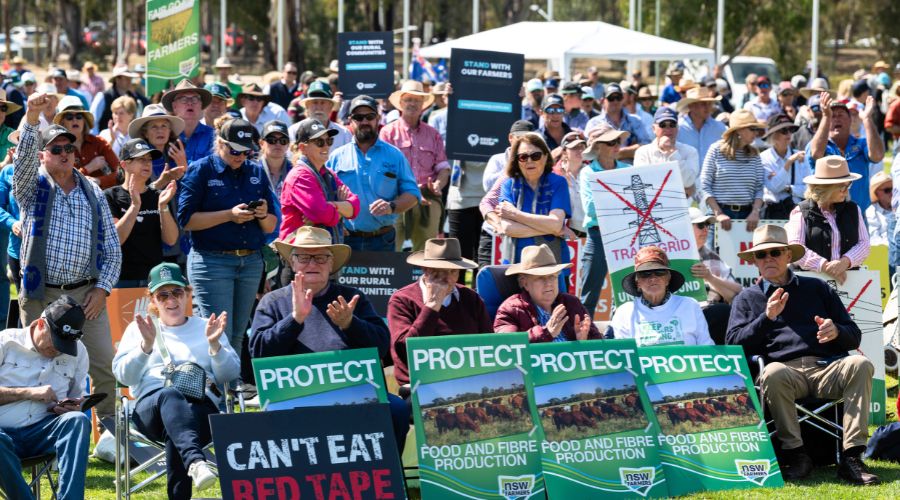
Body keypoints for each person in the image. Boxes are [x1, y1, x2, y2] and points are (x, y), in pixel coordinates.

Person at [725, 224, 877, 485]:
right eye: (761, 255)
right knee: (772, 372)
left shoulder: (817, 288)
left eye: (775, 252)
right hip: (783, 372)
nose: (768, 258)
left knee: (860, 364)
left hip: (827, 367)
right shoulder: (746, 298)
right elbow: (733, 345)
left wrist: (836, 331)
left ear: (788, 255)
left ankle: (851, 457)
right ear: (754, 263)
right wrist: (767, 317)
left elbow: (854, 335)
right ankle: (797, 456)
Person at [14, 92, 122, 421]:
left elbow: (113, 248)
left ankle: (109, 434)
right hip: (40, 292)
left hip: (84, 293)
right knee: (38, 364)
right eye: (56, 149)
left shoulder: (92, 190)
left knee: (104, 362)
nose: (64, 153)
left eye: (69, 148)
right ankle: (39, 429)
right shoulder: (31, 187)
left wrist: (102, 289)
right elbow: (22, 161)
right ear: (43, 156)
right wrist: (32, 118)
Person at [248, 227, 409, 447]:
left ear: (331, 264)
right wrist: (294, 319)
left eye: (321, 257)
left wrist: (350, 324)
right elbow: (258, 353)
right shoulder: (273, 301)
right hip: (294, 395)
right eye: (304, 257)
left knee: (397, 410)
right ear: (292, 263)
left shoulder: (352, 297)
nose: (312, 264)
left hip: (353, 391)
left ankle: (388, 478)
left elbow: (382, 346)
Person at [112, 263, 240, 497]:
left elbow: (229, 375)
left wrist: (215, 346)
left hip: (201, 410)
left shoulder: (206, 327)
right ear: (153, 300)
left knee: (179, 428)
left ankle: (194, 463)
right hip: (151, 410)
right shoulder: (139, 329)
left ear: (188, 293)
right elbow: (124, 376)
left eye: (177, 292)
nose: (171, 300)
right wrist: (145, 347)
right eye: (163, 295)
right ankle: (195, 461)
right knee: (170, 396)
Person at [177, 118, 278, 357]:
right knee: (218, 333)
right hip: (212, 261)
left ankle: (231, 389)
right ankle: (218, 391)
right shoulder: (200, 170)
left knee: (238, 334)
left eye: (246, 151)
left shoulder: (255, 171)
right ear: (219, 143)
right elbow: (186, 221)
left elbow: (270, 225)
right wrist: (228, 215)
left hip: (250, 261)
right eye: (234, 150)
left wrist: (262, 214)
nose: (240, 156)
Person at [0, 296, 91, 499]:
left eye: (66, 345)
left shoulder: (78, 352)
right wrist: (28, 392)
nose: (59, 350)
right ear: (40, 324)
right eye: (56, 342)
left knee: (76, 421)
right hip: (3, 434)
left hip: (43, 431)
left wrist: (70, 407)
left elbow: (77, 398)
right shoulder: (6, 342)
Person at [387, 238, 492, 386]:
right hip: (421, 384)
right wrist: (431, 306)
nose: (448, 278)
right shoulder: (402, 299)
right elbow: (405, 349)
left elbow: (488, 344)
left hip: (467, 380)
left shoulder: (470, 297)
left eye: (454, 271)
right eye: (442, 271)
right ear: (426, 270)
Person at [328, 95, 420, 252]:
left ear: (378, 119)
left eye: (369, 117)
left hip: (383, 240)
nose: (364, 122)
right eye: (358, 117)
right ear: (350, 121)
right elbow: (325, 197)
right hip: (345, 239)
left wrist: (392, 206)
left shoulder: (394, 155)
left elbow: (413, 194)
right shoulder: (336, 157)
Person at [380, 81, 450, 252]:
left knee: (427, 253)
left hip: (428, 199)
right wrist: (411, 191)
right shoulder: (387, 132)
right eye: (409, 99)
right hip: (395, 199)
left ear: (423, 106)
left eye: (417, 100)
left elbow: (444, 168)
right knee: (391, 251)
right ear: (401, 103)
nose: (413, 103)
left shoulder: (433, 134)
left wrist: (438, 184)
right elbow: (382, 171)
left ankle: (424, 279)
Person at [489, 133, 570, 273]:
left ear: (545, 157)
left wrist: (516, 214)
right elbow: (508, 228)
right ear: (517, 161)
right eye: (523, 157)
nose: (529, 161)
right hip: (515, 263)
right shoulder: (508, 185)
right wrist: (552, 229)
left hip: (553, 263)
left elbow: (556, 223)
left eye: (535, 155)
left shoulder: (558, 182)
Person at [105, 139, 179, 288]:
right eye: (141, 159)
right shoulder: (109, 196)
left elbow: (171, 240)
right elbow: (116, 239)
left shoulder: (159, 196)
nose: (147, 164)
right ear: (124, 164)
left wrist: (163, 206)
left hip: (154, 280)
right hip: (121, 279)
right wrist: (135, 207)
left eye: (149, 160)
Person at [786, 156, 870, 284]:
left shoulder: (853, 209)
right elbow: (796, 249)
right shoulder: (801, 211)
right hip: (810, 283)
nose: (847, 191)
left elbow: (864, 244)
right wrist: (825, 266)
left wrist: (844, 262)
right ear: (826, 188)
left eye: (849, 185)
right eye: (843, 187)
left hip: (849, 283)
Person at [494, 244, 599, 342]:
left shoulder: (572, 303)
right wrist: (547, 332)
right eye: (540, 277)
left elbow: (600, 345)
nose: (548, 283)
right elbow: (507, 345)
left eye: (552, 276)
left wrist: (584, 341)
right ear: (524, 282)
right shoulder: (510, 309)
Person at [611, 245, 713, 346]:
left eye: (659, 272)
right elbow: (624, 355)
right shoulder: (624, 312)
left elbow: (706, 345)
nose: (653, 278)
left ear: (668, 279)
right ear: (638, 283)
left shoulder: (690, 305)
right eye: (645, 274)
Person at [578, 124, 630, 317]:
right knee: (589, 293)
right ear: (597, 147)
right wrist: (622, 200)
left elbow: (633, 205)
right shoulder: (587, 172)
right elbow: (591, 208)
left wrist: (607, 198)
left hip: (624, 235)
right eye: (610, 142)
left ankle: (618, 334)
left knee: (625, 293)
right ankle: (584, 338)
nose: (616, 145)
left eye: (617, 141)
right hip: (598, 235)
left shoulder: (628, 168)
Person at [281, 118, 359, 243]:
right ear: (303, 147)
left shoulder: (329, 173)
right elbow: (322, 214)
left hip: (321, 251)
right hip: (299, 255)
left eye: (329, 141)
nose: (326, 146)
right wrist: (341, 209)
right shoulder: (300, 176)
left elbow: (355, 206)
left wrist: (332, 205)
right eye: (319, 142)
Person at [807, 92, 885, 215]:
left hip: (858, 216)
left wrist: (867, 119)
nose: (836, 118)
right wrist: (826, 116)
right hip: (825, 216)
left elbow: (877, 156)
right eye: (832, 115)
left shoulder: (861, 144)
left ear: (850, 120)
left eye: (841, 115)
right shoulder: (818, 144)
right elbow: (816, 154)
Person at [700, 109, 765, 237]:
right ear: (739, 130)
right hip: (718, 216)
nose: (756, 133)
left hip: (747, 218)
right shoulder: (716, 150)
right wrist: (718, 213)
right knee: (713, 257)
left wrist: (755, 211)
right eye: (752, 128)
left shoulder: (754, 154)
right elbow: (704, 185)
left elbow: (759, 187)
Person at [688, 207, 743, 344]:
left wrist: (709, 278)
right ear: (686, 228)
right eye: (700, 225)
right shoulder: (672, 256)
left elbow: (737, 292)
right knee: (723, 311)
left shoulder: (712, 256)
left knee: (729, 309)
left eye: (707, 225)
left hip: (709, 310)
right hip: (684, 312)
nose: (706, 229)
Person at [53, 96, 120, 189]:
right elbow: (63, 180)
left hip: (102, 196)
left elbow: (120, 173)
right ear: (62, 122)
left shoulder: (99, 143)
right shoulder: (57, 148)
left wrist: (99, 180)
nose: (75, 120)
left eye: (79, 116)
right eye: (69, 117)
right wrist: (89, 168)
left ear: (84, 121)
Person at [634, 107, 700, 198]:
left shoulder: (690, 151)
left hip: (685, 208)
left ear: (677, 128)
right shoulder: (642, 152)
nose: (668, 129)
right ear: (653, 128)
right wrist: (681, 191)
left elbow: (688, 181)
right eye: (663, 125)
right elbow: (644, 185)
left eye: (672, 124)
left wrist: (672, 152)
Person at [585, 84, 650, 160]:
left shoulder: (635, 121)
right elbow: (590, 151)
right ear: (602, 101)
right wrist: (632, 149)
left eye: (618, 98)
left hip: (631, 169)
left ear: (622, 99)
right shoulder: (593, 123)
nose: (615, 101)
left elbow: (646, 146)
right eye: (611, 98)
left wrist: (618, 153)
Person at [761, 114, 808, 219]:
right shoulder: (764, 158)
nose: (789, 134)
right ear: (773, 135)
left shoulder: (801, 156)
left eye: (790, 130)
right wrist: (789, 162)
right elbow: (775, 188)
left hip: (797, 212)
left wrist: (789, 189)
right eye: (784, 131)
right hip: (772, 212)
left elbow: (809, 190)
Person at [128, 104, 187, 185]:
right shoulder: (138, 158)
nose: (160, 131)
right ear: (145, 133)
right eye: (154, 127)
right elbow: (139, 190)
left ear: (169, 131)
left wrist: (185, 167)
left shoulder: (178, 154)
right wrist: (161, 182)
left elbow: (189, 187)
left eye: (164, 126)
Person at [289, 80, 351, 153]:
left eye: (323, 103)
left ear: (331, 106)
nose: (318, 107)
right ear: (307, 106)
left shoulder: (344, 134)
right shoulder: (293, 131)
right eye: (315, 102)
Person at [161, 80, 216, 163]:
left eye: (195, 99)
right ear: (174, 106)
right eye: (183, 99)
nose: (190, 103)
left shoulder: (213, 136)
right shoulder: (164, 135)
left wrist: (185, 166)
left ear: (201, 105)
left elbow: (212, 170)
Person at [89, 65, 147, 136]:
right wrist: (96, 140)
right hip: (105, 139)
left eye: (130, 78)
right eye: (126, 78)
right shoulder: (104, 96)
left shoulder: (133, 96)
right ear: (117, 79)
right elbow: (93, 120)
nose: (129, 80)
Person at [677, 86, 728, 165]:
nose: (708, 107)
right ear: (691, 106)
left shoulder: (719, 128)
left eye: (709, 103)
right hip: (687, 177)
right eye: (703, 104)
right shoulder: (678, 129)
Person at [553, 131, 587, 234]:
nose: (580, 150)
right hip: (566, 233)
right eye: (574, 147)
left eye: (582, 146)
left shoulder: (591, 173)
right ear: (564, 152)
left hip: (590, 232)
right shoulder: (555, 174)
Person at [257, 120, 293, 199]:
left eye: (283, 141)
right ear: (261, 144)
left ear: (288, 145)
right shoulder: (252, 170)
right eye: (271, 140)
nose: (278, 144)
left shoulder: (295, 171)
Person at [866, 171, 892, 245]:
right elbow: (874, 239)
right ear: (876, 193)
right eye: (887, 190)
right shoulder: (871, 211)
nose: (892, 193)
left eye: (894, 189)